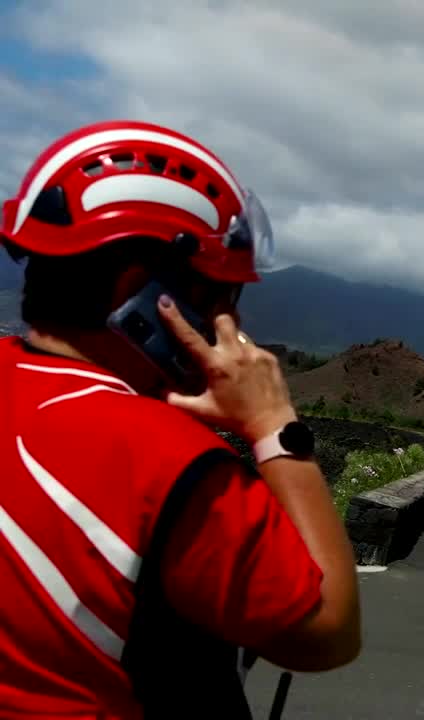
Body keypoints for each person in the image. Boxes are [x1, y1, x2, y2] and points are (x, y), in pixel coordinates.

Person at [0, 120, 361, 718]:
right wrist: (275, 427)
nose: (230, 322)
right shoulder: (170, 465)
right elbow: (330, 631)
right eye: (222, 294)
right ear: (143, 294)